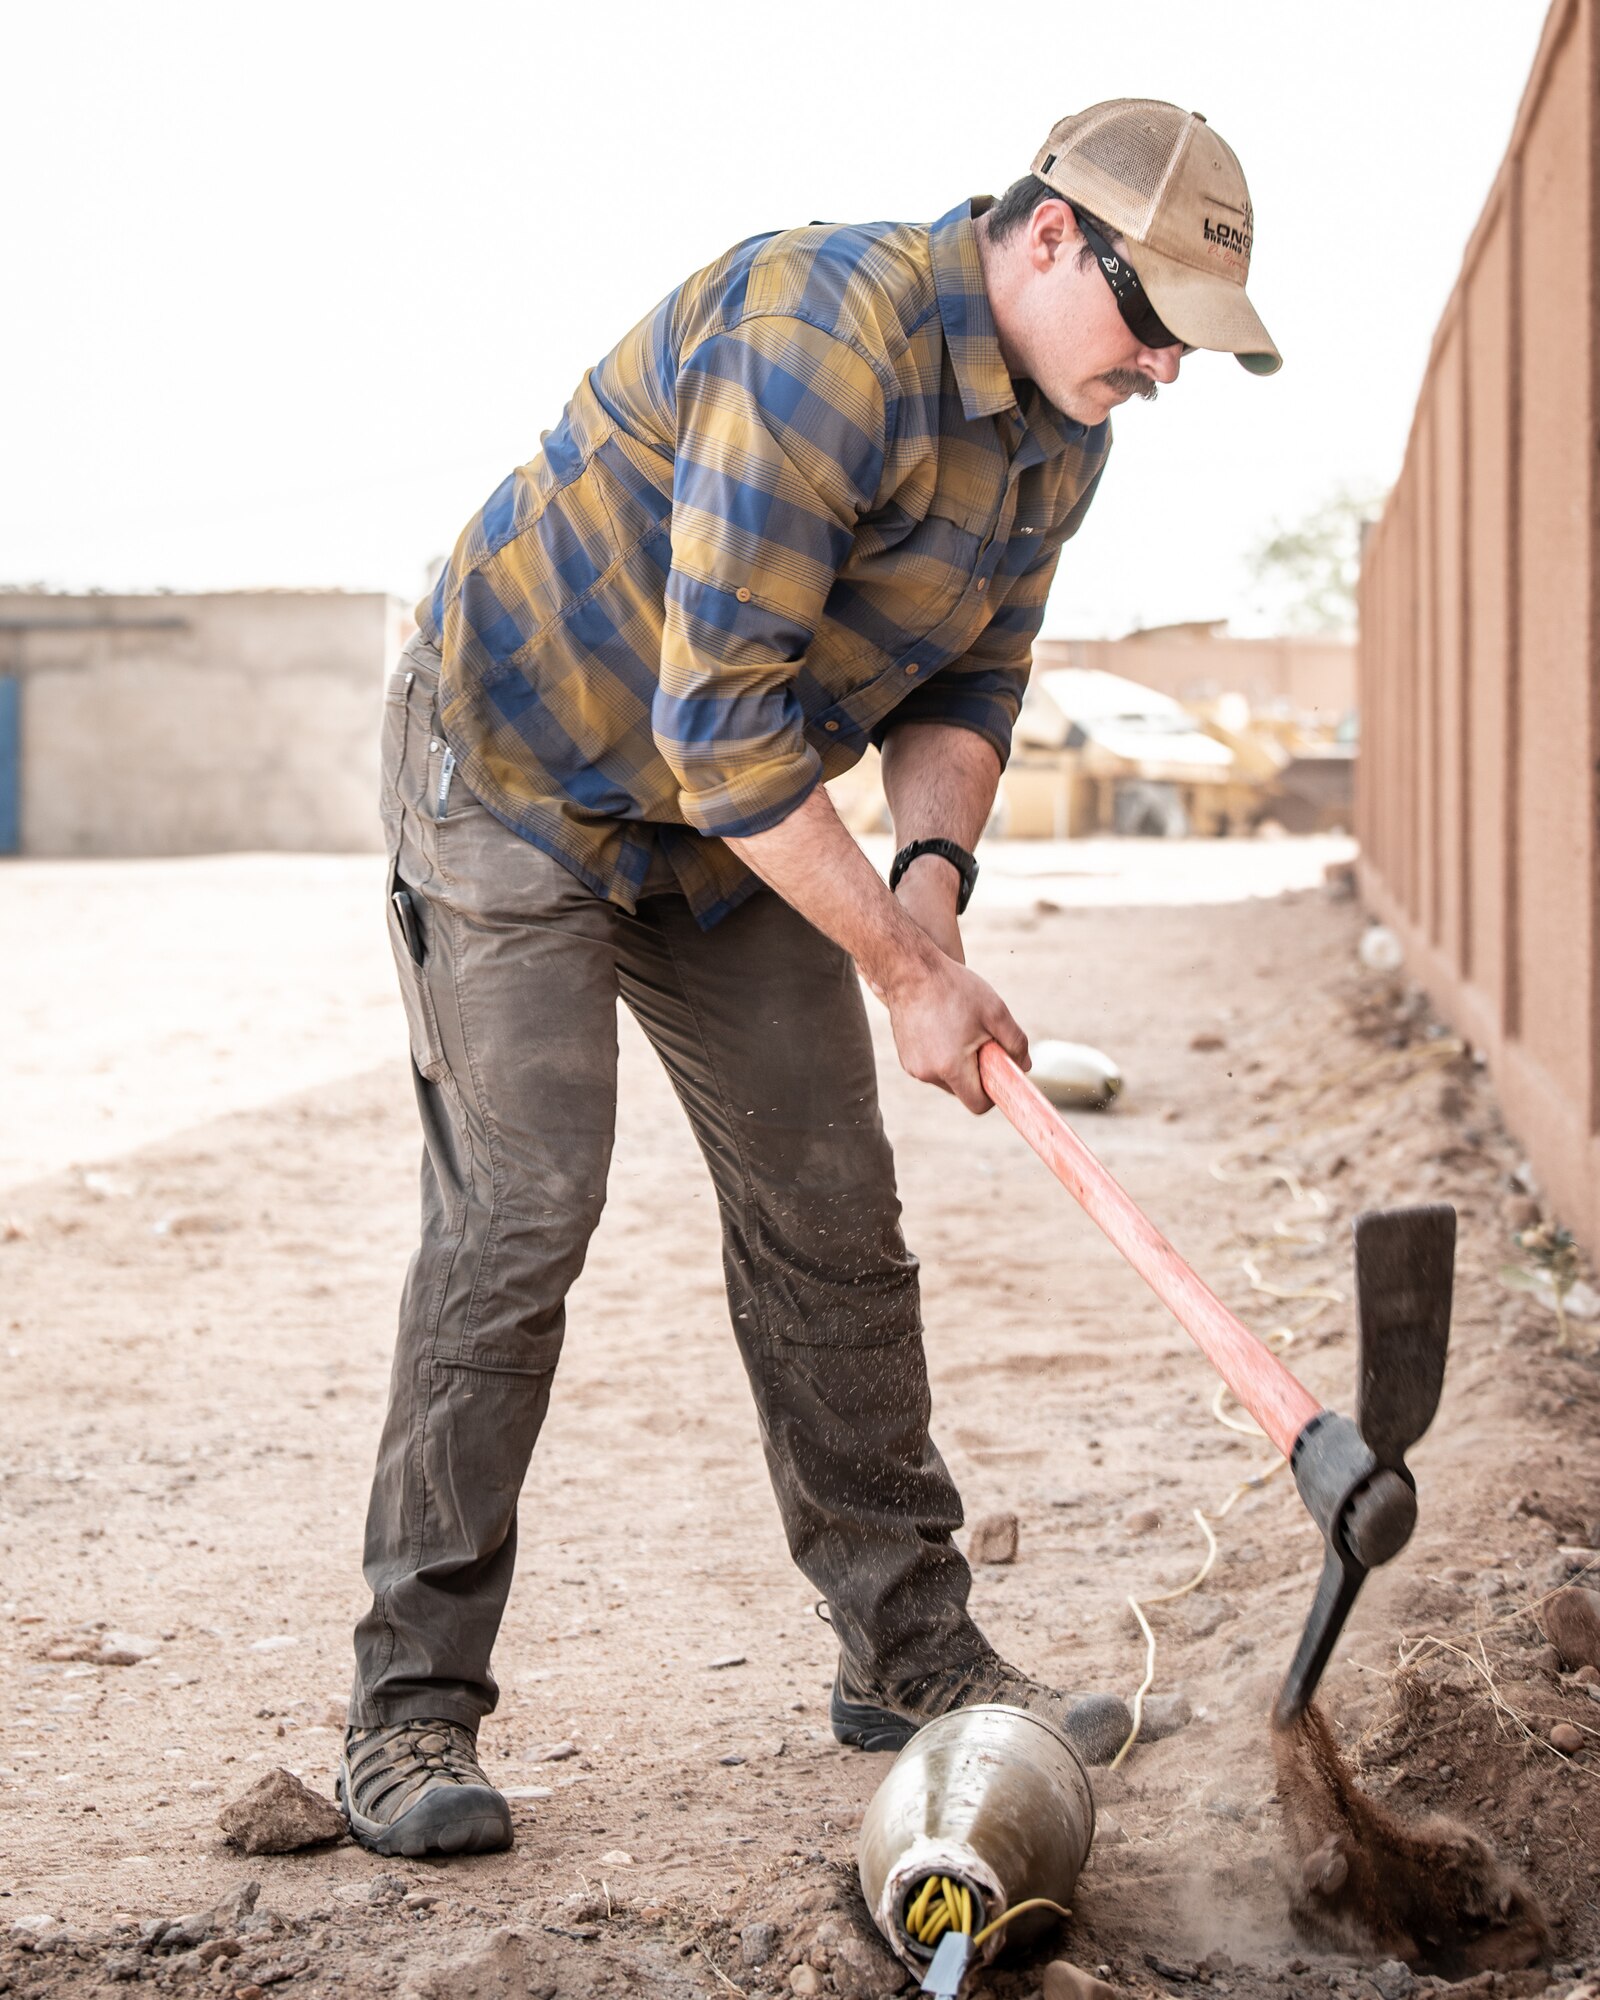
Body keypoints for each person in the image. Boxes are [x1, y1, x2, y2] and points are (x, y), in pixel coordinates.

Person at [339, 98, 1279, 1859]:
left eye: (1191, 349)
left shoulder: (1063, 435)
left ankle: (909, 1655)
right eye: (1152, 321)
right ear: (1054, 235)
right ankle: (408, 1711)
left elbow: (969, 692)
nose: (1163, 366)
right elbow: (715, 718)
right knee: (524, 1211)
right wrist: (898, 972)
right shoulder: (822, 334)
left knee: (832, 1206)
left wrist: (925, 907)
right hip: (520, 781)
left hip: (728, 831)